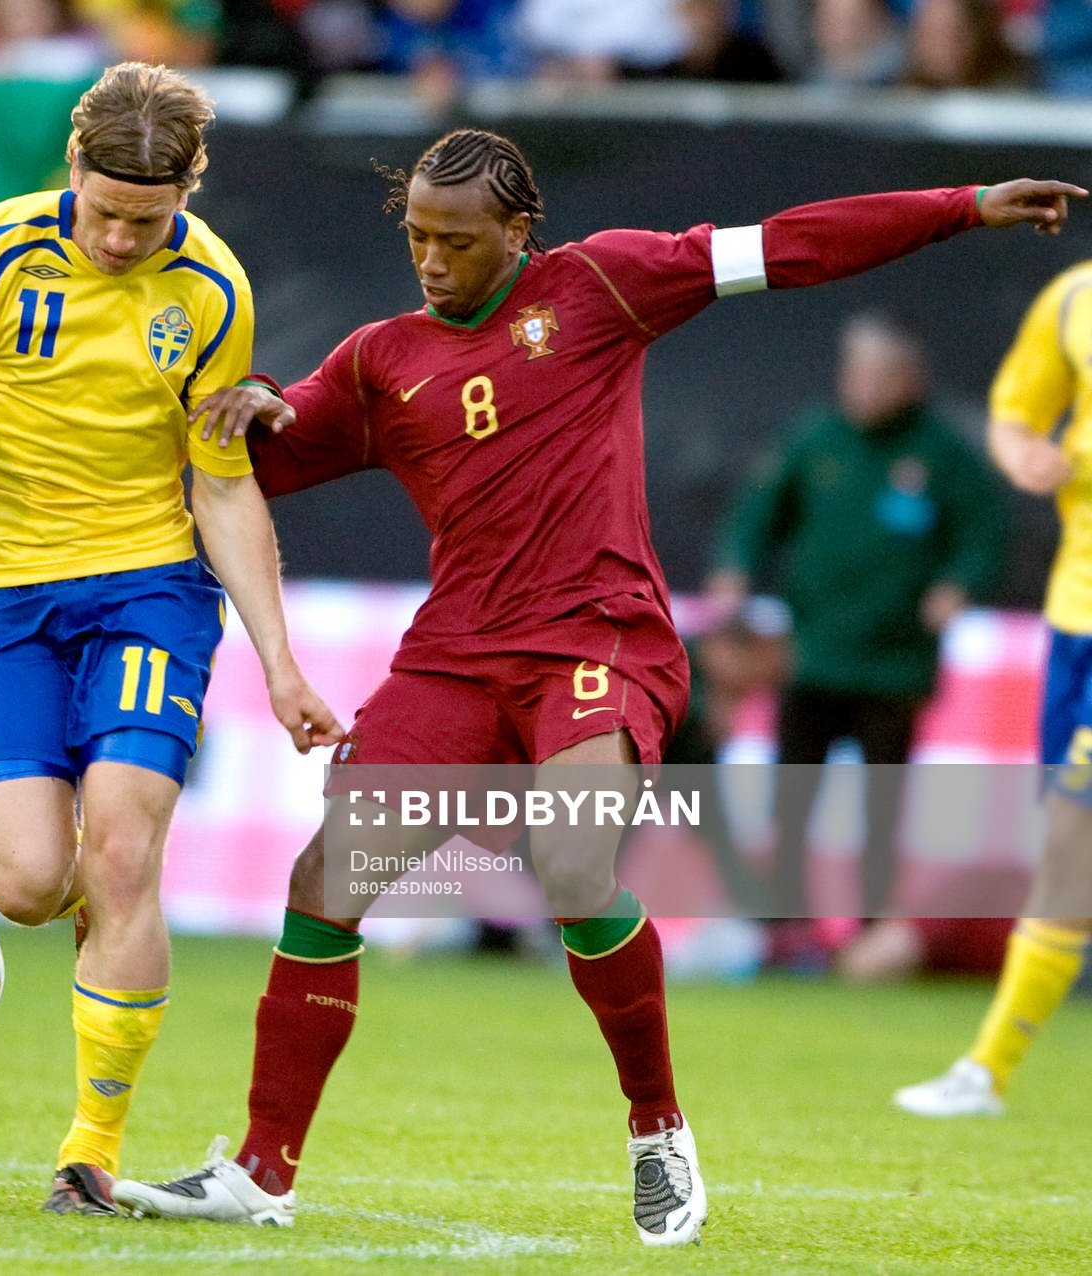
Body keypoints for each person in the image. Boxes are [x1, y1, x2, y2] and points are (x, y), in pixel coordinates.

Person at [105, 127, 1081, 1245]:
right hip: (458, 654)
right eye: (417, 236)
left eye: (457, 242)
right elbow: (272, 452)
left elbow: (795, 245)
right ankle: (263, 1172)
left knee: (575, 861)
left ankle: (657, 1129)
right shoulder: (384, 358)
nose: (431, 260)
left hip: (598, 639)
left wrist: (962, 202)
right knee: (329, 875)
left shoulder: (605, 283)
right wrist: (252, 402)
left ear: (520, 234)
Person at [0, 62, 341, 1217]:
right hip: (4, 591)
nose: (126, 238)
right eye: (105, 211)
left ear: (191, 184)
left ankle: (90, 1149)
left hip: (150, 588)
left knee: (126, 854)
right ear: (74, 167)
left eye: (151, 216)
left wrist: (280, 662)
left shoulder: (215, 290)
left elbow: (222, 484)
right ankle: (103, 926)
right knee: (33, 883)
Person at [711, 311, 1000, 936]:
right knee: (792, 802)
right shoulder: (814, 442)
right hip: (812, 654)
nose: (868, 387)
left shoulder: (942, 455)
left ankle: (868, 932)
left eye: (884, 375)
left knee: (881, 809)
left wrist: (958, 584)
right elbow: (756, 514)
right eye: (859, 373)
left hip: (893, 663)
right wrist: (735, 566)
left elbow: (983, 535)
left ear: (912, 379)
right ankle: (783, 930)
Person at [894, 257, 1092, 1118]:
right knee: (1069, 846)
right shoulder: (1076, 297)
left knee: (1074, 841)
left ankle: (985, 1071)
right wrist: (1024, 456)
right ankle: (988, 1070)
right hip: (1074, 618)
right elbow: (1017, 409)